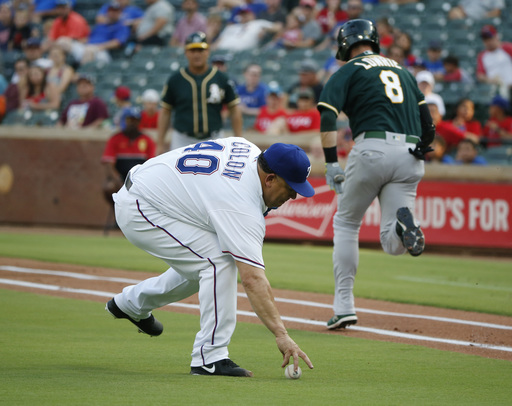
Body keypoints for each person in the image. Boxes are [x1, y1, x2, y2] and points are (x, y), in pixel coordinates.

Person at [105, 137, 315, 377]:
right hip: (141, 206)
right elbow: (253, 279)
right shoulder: (239, 202)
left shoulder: (249, 149)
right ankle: (210, 358)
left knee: (207, 264)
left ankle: (130, 304)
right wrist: (281, 334)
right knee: (219, 262)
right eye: (290, 188)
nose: (294, 196)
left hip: (153, 188)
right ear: (269, 179)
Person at [317, 19, 435, 329]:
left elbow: (328, 113)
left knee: (345, 222)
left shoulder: (347, 70)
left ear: (345, 45)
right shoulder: (404, 72)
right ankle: (405, 227)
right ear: (373, 41)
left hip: (372, 147)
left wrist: (331, 163)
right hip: (411, 154)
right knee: (391, 244)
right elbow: (428, 124)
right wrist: (424, 145)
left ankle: (344, 306)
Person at [156, 32, 243, 153]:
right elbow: (165, 111)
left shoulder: (221, 78)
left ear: (208, 51)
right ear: (186, 52)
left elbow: (234, 109)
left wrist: (238, 140)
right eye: (192, 50)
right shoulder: (176, 79)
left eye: (200, 50)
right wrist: (160, 143)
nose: (197, 54)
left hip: (214, 138)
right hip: (182, 139)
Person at [101, 106, 156, 205]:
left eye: (135, 120)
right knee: (109, 187)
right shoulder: (115, 139)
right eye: (129, 120)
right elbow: (109, 164)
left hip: (140, 179)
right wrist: (118, 181)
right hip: (120, 178)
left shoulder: (147, 140)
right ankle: (117, 212)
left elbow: (151, 164)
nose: (132, 123)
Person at [59, 1, 130, 65]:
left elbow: (117, 43)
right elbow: (89, 38)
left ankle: (83, 74)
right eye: (111, 10)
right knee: (63, 41)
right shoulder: (101, 25)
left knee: (89, 50)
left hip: (102, 52)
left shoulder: (122, 26)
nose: (112, 13)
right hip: (88, 47)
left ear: (120, 12)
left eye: (115, 11)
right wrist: (75, 41)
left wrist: (98, 47)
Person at [211, 6, 277, 52]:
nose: (244, 16)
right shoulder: (231, 27)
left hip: (243, 53)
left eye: (246, 14)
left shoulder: (258, 23)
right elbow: (218, 42)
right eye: (242, 14)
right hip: (223, 51)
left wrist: (265, 30)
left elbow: (278, 27)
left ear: (252, 14)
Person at [476, 25, 512, 99]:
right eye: (485, 39)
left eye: (490, 38)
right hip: (495, 92)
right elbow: (480, 75)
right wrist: (491, 80)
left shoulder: (507, 48)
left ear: (496, 36)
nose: (488, 42)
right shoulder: (482, 55)